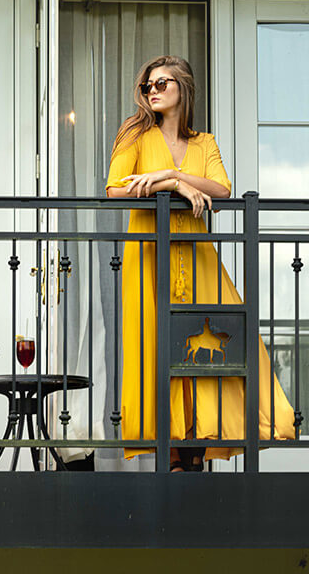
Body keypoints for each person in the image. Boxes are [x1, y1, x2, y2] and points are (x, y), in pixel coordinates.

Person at [105, 55, 295, 472]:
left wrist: (169, 179)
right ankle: (170, 455)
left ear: (182, 89)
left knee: (208, 344)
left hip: (197, 255)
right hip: (150, 254)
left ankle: (194, 453)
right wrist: (174, 182)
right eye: (147, 86)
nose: (152, 91)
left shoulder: (204, 143)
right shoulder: (134, 134)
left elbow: (222, 188)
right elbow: (117, 189)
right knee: (155, 345)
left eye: (161, 83)